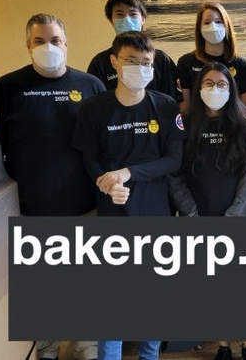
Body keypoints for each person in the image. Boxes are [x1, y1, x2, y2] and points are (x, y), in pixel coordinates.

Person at [0, 13, 105, 360]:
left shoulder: (90, 86)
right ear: (28, 46)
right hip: (31, 208)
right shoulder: (7, 88)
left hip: (84, 206)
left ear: (66, 44)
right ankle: (48, 349)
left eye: (55, 40)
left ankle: (86, 347)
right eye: (39, 41)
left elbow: (104, 145)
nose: (48, 47)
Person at [72, 31, 184, 360]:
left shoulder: (165, 107)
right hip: (113, 215)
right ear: (114, 62)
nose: (138, 68)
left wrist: (129, 173)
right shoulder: (95, 108)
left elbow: (173, 160)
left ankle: (149, 356)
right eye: (130, 61)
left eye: (145, 62)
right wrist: (105, 183)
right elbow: (89, 157)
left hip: (155, 213)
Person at [169, 62, 246, 360]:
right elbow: (175, 174)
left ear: (231, 89)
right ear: (197, 89)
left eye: (222, 84)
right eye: (208, 84)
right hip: (200, 219)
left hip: (240, 220)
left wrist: (234, 217)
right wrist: (192, 215)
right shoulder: (184, 123)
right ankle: (223, 344)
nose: (215, 89)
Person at [87, 0, 179, 99]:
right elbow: (95, 102)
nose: (127, 19)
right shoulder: (100, 63)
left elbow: (173, 101)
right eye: (120, 14)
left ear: (143, 19)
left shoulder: (161, 60)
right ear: (111, 20)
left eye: (133, 14)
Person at [177, 2, 246, 112]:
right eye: (207, 22)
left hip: (232, 125)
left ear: (227, 26)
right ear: (199, 28)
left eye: (218, 22)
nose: (213, 27)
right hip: (198, 126)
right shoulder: (186, 63)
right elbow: (185, 108)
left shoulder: (242, 65)